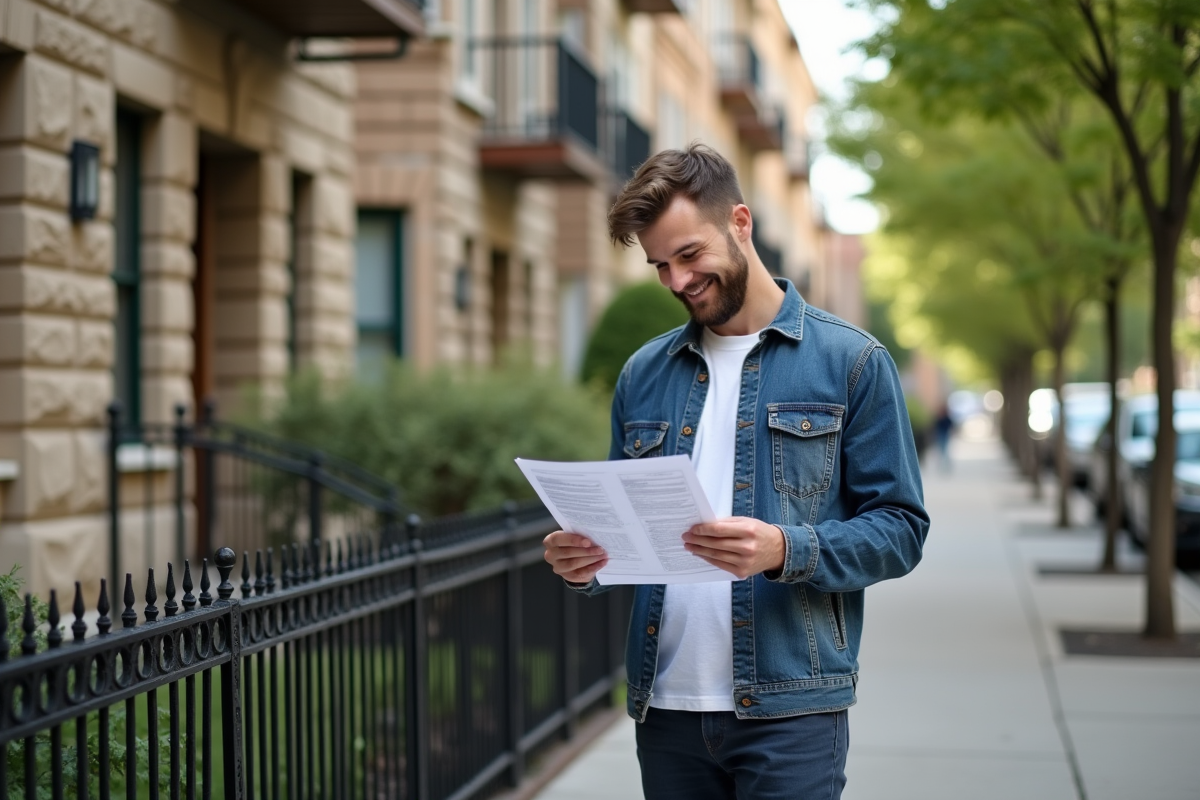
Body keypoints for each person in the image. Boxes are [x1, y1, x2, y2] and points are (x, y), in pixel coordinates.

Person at [542, 144, 929, 800]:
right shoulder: (643, 373)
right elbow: (628, 529)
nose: (676, 281)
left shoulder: (851, 362)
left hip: (792, 712)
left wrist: (785, 548)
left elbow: (900, 530)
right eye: (660, 265)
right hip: (665, 712)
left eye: (689, 255)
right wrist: (588, 561)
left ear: (741, 224)